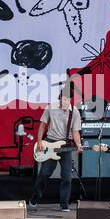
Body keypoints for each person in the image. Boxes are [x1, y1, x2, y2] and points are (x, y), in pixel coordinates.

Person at [31, 82, 84, 212]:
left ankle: (64, 204)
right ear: (60, 97)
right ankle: (34, 198)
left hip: (65, 144)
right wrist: (39, 142)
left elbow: (76, 131)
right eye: (64, 98)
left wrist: (78, 145)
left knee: (67, 176)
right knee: (44, 173)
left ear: (71, 99)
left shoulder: (75, 112)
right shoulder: (51, 108)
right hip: (50, 141)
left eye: (68, 99)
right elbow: (43, 125)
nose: (65, 101)